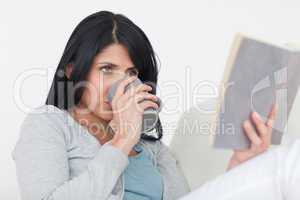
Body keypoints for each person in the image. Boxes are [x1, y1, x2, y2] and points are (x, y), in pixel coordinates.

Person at [11, 11, 277, 200]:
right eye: (107, 69)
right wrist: (121, 142)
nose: (122, 83)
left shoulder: (151, 146)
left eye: (131, 73)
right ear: (72, 70)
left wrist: (240, 166)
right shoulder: (48, 123)